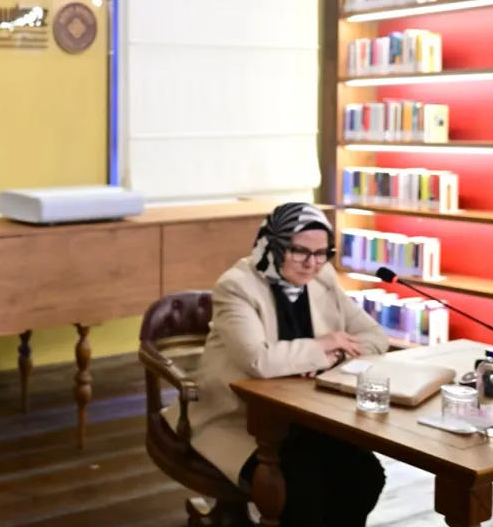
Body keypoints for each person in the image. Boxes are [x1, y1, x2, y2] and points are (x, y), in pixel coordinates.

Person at [163, 202, 390, 526]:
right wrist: (323, 345)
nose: (312, 263)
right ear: (275, 243)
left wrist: (336, 355)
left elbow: (374, 336)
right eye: (300, 251)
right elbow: (259, 360)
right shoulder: (237, 286)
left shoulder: (322, 277)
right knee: (304, 489)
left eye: (322, 253)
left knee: (365, 476)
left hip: (311, 413)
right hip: (240, 419)